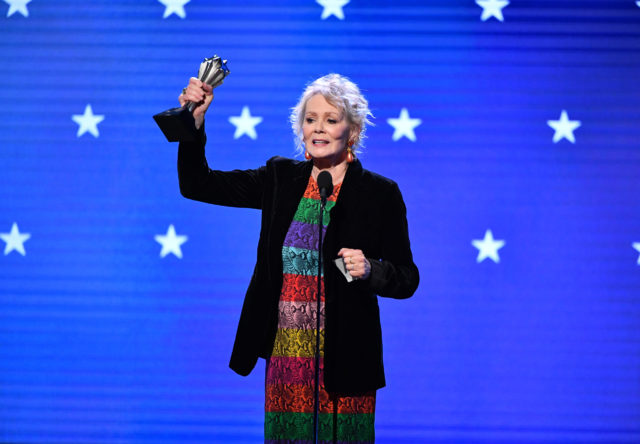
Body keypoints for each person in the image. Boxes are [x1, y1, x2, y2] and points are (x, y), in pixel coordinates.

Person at [177, 73, 419, 443]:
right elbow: (198, 185)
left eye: (330, 119)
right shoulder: (280, 178)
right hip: (287, 358)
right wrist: (193, 124)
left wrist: (373, 270)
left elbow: (407, 278)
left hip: (347, 359)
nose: (318, 128)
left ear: (351, 131)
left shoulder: (380, 193)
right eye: (310, 119)